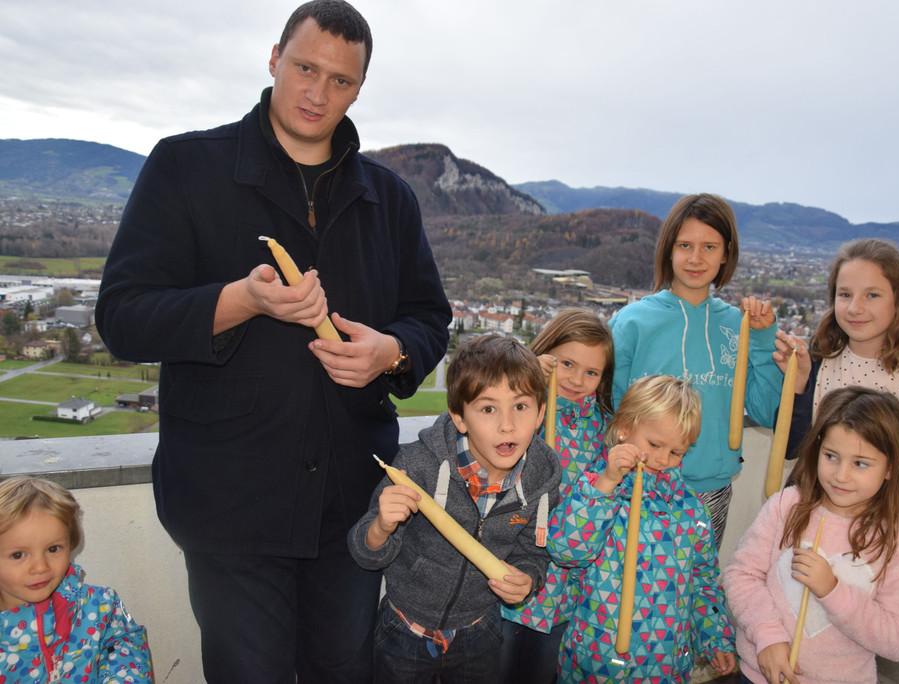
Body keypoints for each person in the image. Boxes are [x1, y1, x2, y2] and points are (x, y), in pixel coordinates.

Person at [94, 2, 452, 681]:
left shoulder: (390, 199)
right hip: (229, 503)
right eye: (305, 68)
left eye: (341, 80)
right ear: (273, 59)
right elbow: (122, 316)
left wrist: (391, 353)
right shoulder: (185, 167)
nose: (319, 93)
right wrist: (241, 301)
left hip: (352, 510)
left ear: (359, 88)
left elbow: (431, 319)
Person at [347, 334, 562, 682]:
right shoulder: (419, 466)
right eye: (488, 409)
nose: (507, 425)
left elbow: (533, 553)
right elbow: (364, 552)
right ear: (460, 418)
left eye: (520, 407)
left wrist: (528, 578)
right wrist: (381, 528)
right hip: (405, 629)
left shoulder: (542, 481)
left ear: (541, 413)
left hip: (480, 630)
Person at [608, 193, 783, 543]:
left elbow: (767, 412)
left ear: (726, 253)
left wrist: (764, 341)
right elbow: (609, 409)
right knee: (628, 576)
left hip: (710, 490)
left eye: (709, 247)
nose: (695, 258)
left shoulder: (741, 327)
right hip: (639, 482)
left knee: (696, 577)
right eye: (684, 245)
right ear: (668, 249)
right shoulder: (631, 322)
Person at [722, 386, 899, 684]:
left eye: (860, 463)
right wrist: (767, 634)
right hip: (759, 676)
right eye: (831, 456)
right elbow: (741, 575)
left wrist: (832, 591)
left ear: (891, 468)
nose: (841, 475)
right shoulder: (786, 505)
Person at [548, 375, 736, 683]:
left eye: (677, 452)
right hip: (598, 661)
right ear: (624, 428)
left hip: (666, 665)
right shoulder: (598, 489)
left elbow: (703, 582)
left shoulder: (691, 510)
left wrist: (716, 636)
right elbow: (566, 551)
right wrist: (605, 485)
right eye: (654, 444)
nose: (662, 459)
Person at [775, 238, 899, 522]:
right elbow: (789, 448)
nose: (854, 308)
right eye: (845, 294)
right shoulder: (818, 363)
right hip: (802, 523)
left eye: (872, 295)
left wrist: (872, 536)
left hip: (869, 538)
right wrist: (798, 385)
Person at [499, 308, 615, 684]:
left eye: (592, 372)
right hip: (506, 578)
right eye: (567, 363)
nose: (577, 380)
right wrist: (523, 381)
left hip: (563, 592)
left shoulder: (602, 430)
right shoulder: (519, 409)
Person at [0, 476, 153, 683]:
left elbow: (125, 645)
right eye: (18, 555)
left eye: (53, 549)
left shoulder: (100, 606)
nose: (41, 567)